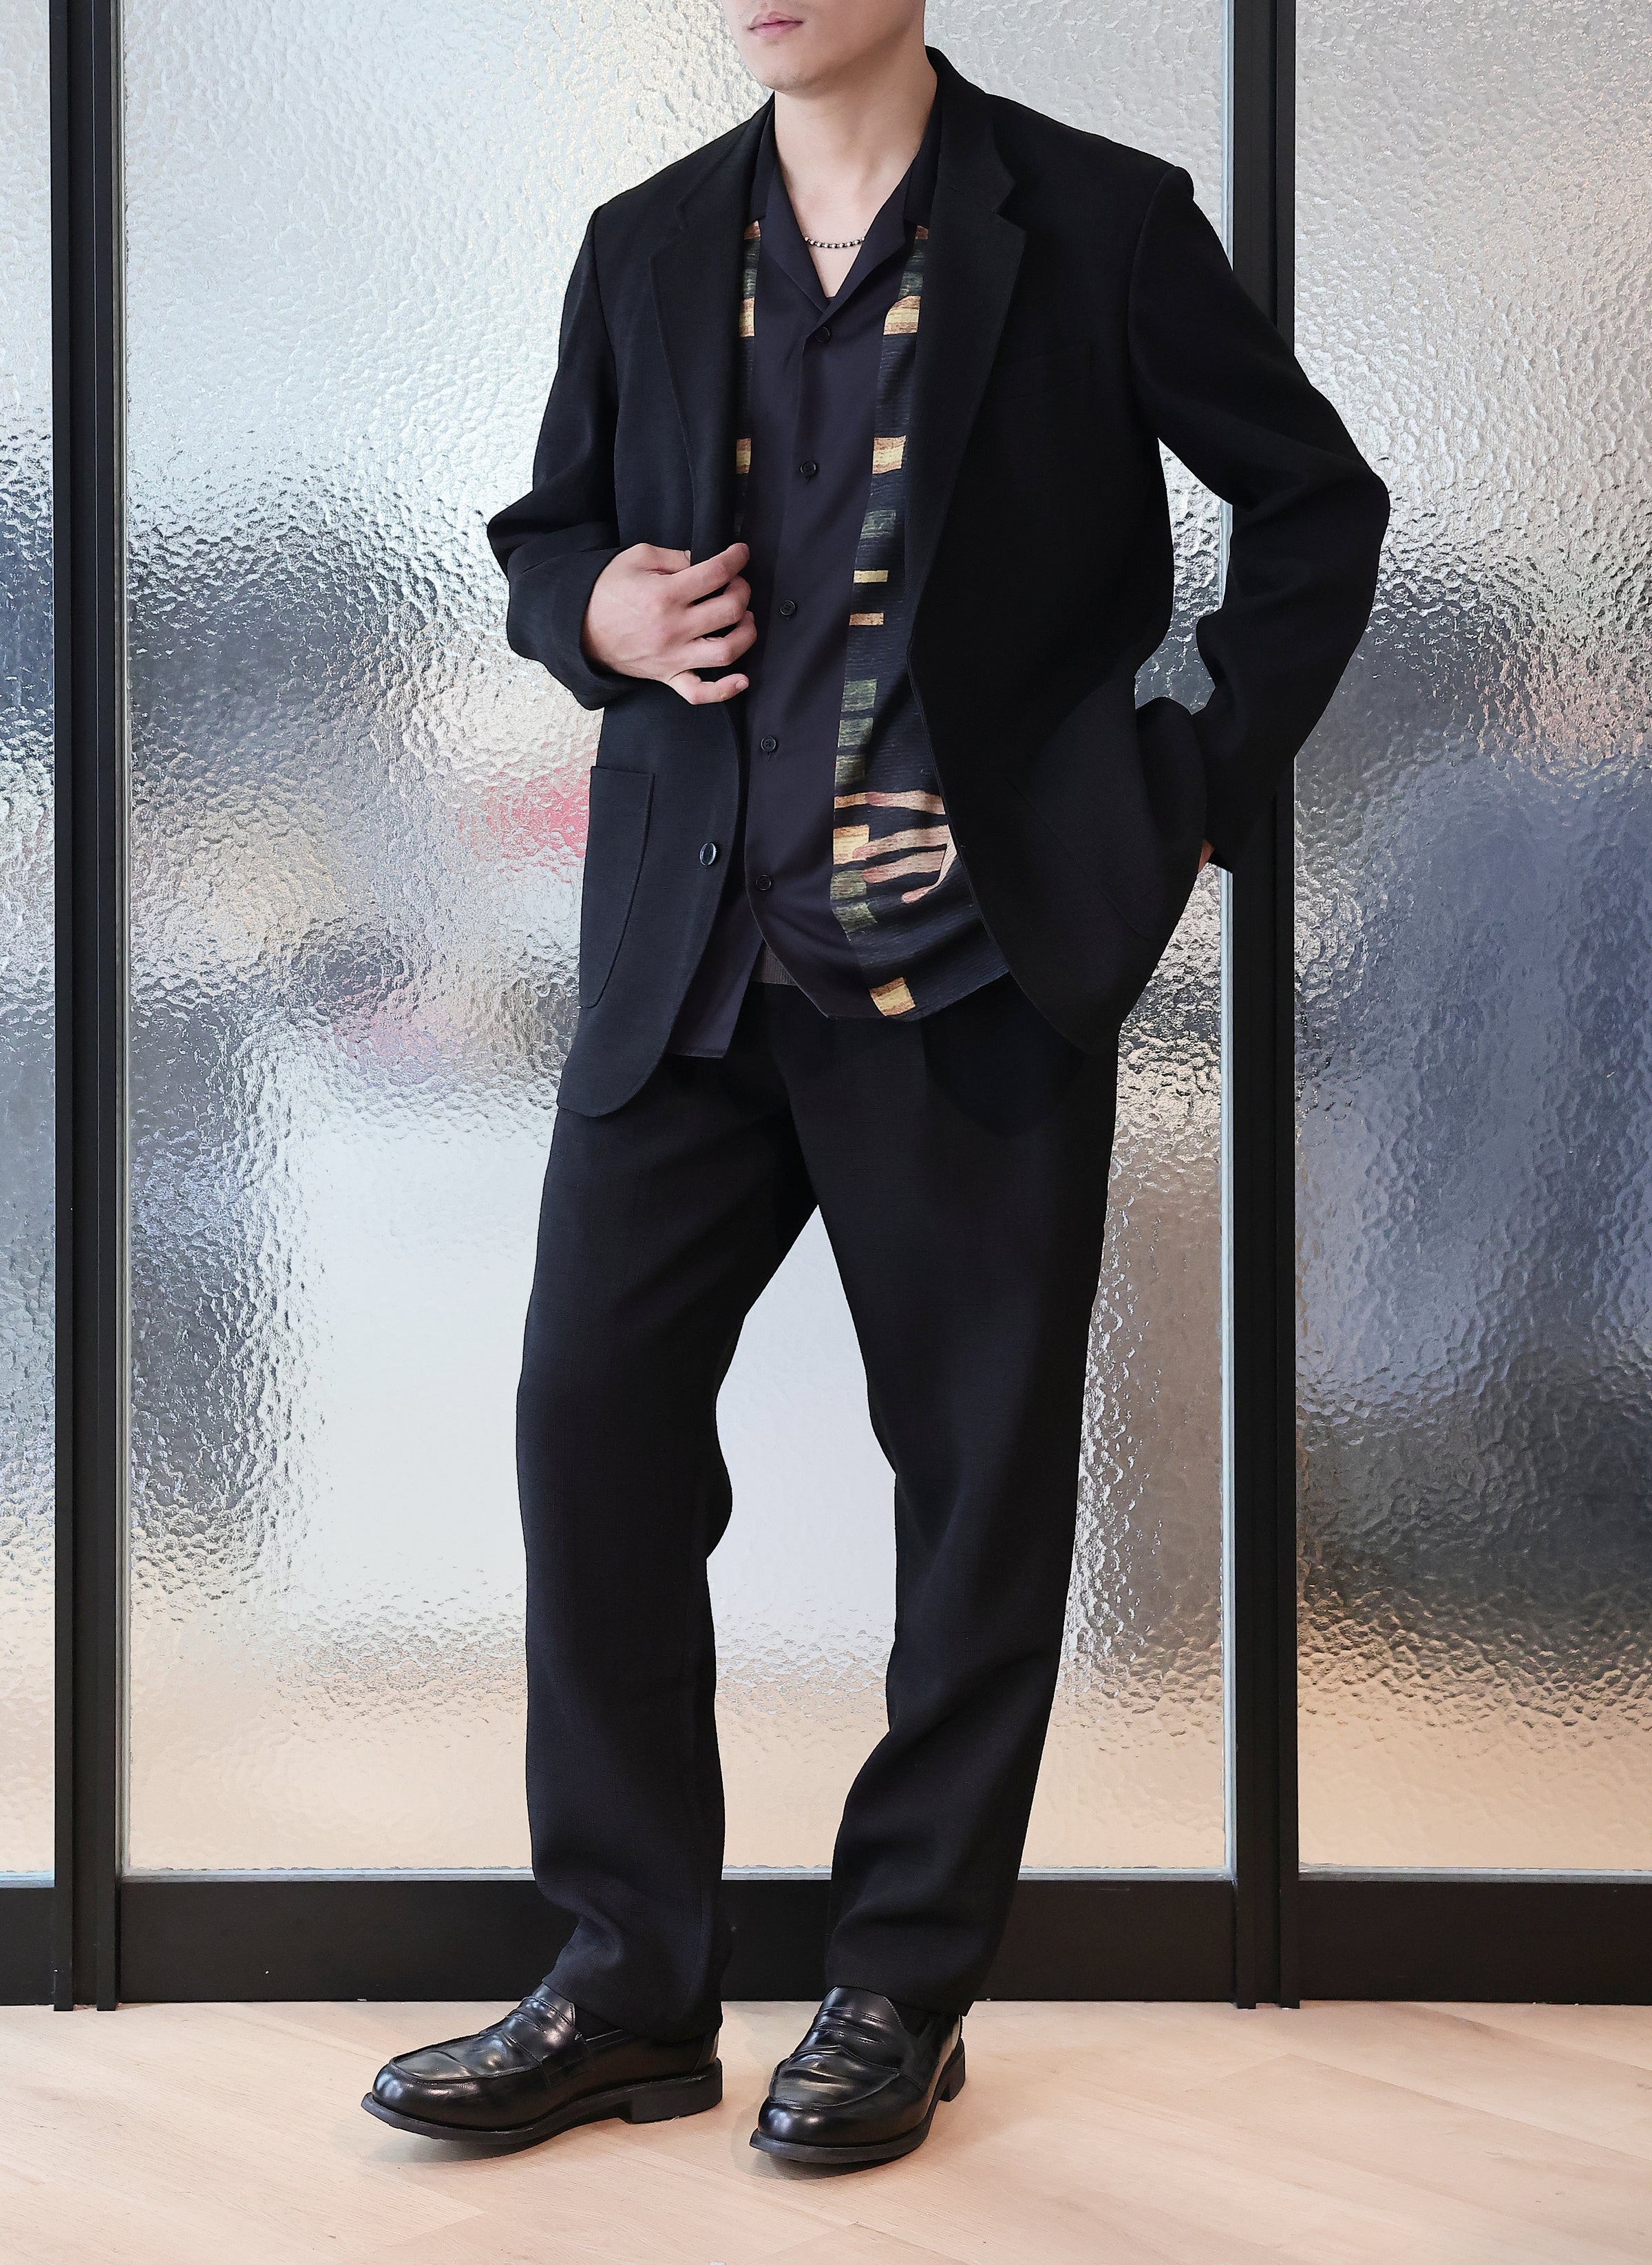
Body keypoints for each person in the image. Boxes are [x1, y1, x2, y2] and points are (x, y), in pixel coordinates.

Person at [363, 0, 1386, 2167]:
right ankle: (627, 1985)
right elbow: (548, 537)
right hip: (688, 970)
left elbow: (1317, 507)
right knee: (591, 1428)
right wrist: (595, 612)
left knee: (976, 1488)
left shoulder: (1101, 226)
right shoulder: (648, 243)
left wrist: (1175, 792)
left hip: (968, 973)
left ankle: (902, 1982)